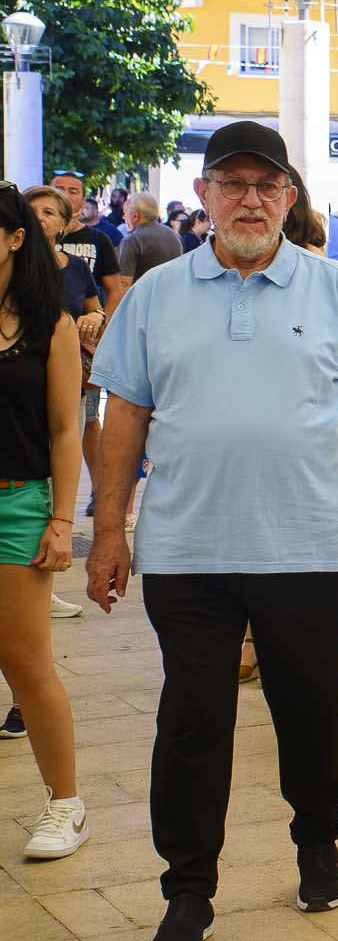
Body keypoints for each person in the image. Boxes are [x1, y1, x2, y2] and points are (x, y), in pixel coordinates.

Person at [85, 120, 338, 941]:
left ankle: (317, 840)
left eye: (267, 184)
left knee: (311, 706)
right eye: (232, 183)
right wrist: (108, 526)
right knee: (193, 718)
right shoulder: (155, 294)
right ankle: (188, 889)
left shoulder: (333, 285)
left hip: (306, 542)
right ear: (205, 196)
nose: (251, 198)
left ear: (291, 197)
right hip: (188, 548)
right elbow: (123, 412)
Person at [0, 186, 93, 859]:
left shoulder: (49, 323)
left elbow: (66, 429)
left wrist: (62, 519)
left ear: (13, 239)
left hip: (17, 502)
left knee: (25, 662)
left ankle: (66, 803)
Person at [24, 188, 104, 625]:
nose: (40, 218)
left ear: (65, 223)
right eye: (32, 210)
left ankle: (43, 578)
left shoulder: (74, 269)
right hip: (20, 389)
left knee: (61, 463)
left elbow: (95, 311)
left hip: (66, 381)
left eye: (49, 212)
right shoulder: (13, 269)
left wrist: (97, 319)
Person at [50, 171, 124, 511]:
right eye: (59, 189)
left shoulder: (98, 241)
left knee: (88, 420)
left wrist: (101, 327)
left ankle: (98, 490)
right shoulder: (25, 246)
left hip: (82, 352)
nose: (66, 194)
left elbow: (112, 290)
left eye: (73, 190)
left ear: (83, 199)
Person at [118, 194, 182, 284]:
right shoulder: (174, 236)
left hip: (142, 296)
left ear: (135, 216)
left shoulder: (132, 240)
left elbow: (124, 283)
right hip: (172, 295)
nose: (123, 217)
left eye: (125, 213)